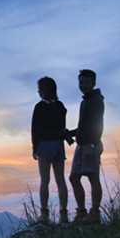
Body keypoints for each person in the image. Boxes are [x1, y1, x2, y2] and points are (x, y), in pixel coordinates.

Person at [31, 77, 71, 224]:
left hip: (45, 145)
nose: (38, 91)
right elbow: (62, 127)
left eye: (39, 88)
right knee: (60, 180)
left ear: (43, 90)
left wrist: (35, 148)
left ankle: (44, 213)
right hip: (58, 145)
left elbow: (35, 129)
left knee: (45, 180)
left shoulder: (40, 107)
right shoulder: (60, 106)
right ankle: (64, 213)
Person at [68, 69, 105, 224]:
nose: (83, 85)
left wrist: (92, 144)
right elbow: (84, 127)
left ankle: (94, 213)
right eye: (81, 82)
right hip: (82, 144)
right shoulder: (85, 101)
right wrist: (69, 133)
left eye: (87, 82)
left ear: (94, 83)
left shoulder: (96, 100)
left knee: (92, 177)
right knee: (74, 178)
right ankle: (82, 212)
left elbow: (97, 124)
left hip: (90, 144)